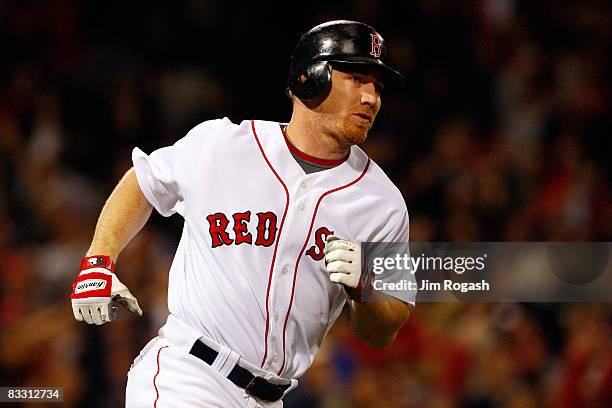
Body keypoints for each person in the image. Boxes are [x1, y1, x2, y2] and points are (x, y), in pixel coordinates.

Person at [70, 20, 414, 407]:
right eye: (357, 79)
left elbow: (383, 330)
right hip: (189, 376)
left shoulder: (382, 202)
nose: (371, 98)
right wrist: (98, 259)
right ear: (309, 78)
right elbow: (143, 181)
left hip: (270, 398)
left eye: (377, 87)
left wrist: (363, 291)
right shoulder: (224, 145)